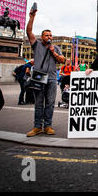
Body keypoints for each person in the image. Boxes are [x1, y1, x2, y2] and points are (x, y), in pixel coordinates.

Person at [26, 8, 65, 137]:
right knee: (39, 103)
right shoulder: (36, 44)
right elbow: (29, 32)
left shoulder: (56, 48)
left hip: (52, 78)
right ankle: (37, 127)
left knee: (50, 103)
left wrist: (53, 51)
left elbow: (62, 60)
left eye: (50, 35)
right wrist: (32, 18)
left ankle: (48, 126)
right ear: (42, 37)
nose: (49, 37)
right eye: (46, 35)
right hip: (39, 77)